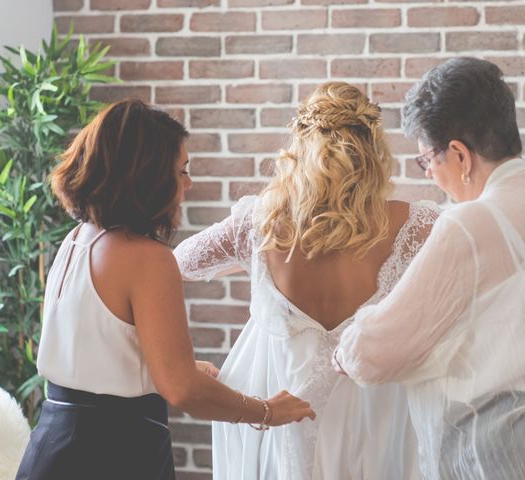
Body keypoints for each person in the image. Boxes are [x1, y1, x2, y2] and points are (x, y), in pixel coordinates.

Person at [333, 57, 525, 480]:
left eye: (426, 161)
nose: (431, 176)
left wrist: (344, 350)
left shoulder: (472, 225)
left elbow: (374, 351)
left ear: (458, 154)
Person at [16, 100, 315, 480]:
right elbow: (183, 391)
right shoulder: (147, 259)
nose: (189, 183)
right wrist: (269, 411)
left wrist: (174, 367)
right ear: (147, 176)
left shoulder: (77, 240)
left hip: (52, 446)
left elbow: (94, 352)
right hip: (113, 454)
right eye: (182, 170)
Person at [174, 82, 439, 479]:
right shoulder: (417, 226)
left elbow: (176, 264)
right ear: (373, 152)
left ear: (298, 148)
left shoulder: (259, 224)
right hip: (375, 418)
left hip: (273, 408)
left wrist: (253, 260)